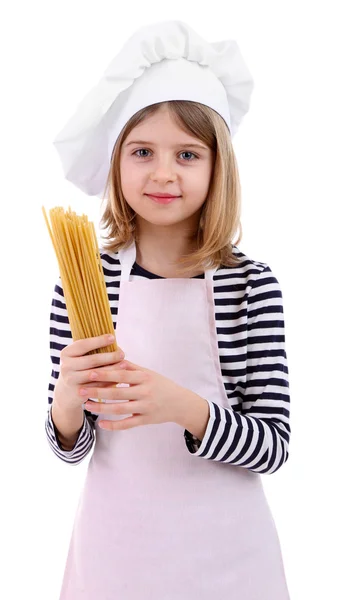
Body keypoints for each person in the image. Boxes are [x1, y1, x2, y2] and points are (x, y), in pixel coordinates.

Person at [45, 20, 291, 599]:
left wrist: (180, 406)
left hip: (228, 560)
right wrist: (65, 400)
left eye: (187, 153)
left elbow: (274, 449)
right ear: (116, 163)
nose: (162, 172)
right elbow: (69, 446)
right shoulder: (85, 280)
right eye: (142, 151)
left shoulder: (251, 286)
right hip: (116, 555)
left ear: (217, 167)